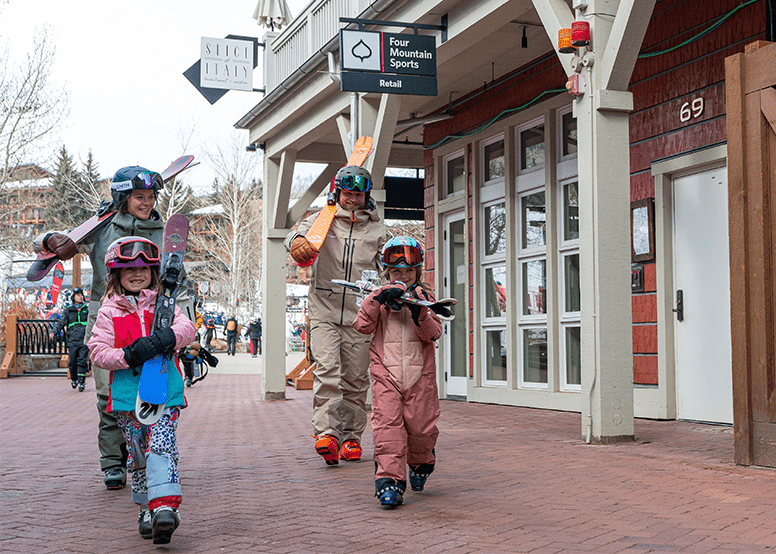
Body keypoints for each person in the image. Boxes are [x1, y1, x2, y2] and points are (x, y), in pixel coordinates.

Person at [34, 165, 195, 491]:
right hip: (108, 317)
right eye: (139, 196)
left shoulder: (164, 233)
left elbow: (181, 281)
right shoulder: (103, 228)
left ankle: (151, 457)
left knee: (154, 393)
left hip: (153, 319)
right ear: (124, 197)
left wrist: (187, 327)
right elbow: (47, 245)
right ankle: (112, 462)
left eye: (151, 197)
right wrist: (51, 239)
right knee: (109, 395)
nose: (146, 202)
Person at [87, 236, 196, 545]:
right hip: (126, 397)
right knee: (138, 455)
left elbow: (188, 328)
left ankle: (165, 507)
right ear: (115, 275)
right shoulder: (109, 312)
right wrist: (128, 355)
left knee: (160, 445)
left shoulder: (165, 305)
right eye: (128, 270)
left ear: (154, 273)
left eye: (144, 269)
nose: (137, 275)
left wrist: (167, 338)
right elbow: (97, 351)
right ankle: (147, 510)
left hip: (164, 392)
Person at [285, 165, 388, 465]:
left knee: (355, 379)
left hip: (361, 314)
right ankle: (327, 433)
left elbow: (390, 263)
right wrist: (297, 245)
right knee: (328, 370)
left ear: (366, 197)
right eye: (348, 194)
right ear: (338, 193)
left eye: (358, 195)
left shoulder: (378, 230)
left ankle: (351, 437)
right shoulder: (322, 220)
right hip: (325, 311)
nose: (353, 200)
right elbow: (295, 235)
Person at [353, 237, 442, 508]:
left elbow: (434, 333)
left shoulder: (425, 299)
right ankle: (389, 482)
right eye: (395, 272)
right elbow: (362, 326)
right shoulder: (379, 298)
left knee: (421, 430)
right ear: (387, 273)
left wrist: (420, 314)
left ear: (417, 272)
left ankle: (421, 464)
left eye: (407, 271)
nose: (401, 276)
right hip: (386, 375)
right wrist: (376, 299)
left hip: (420, 378)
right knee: (387, 428)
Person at [49, 287, 89, 391]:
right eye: (78, 295)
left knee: (82, 360)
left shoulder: (87, 310)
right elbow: (61, 323)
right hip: (72, 340)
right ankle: (74, 379)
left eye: (81, 295)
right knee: (73, 362)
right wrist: (54, 331)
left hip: (84, 339)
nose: (80, 297)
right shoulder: (68, 311)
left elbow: (94, 322)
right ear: (73, 297)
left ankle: (81, 382)